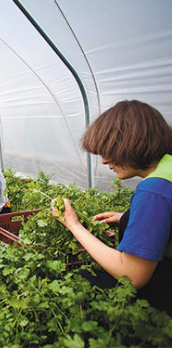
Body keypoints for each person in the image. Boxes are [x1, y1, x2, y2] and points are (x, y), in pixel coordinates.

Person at [51, 100, 172, 314]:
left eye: (111, 151)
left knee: (82, 281)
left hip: (164, 292)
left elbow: (132, 275)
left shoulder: (154, 190)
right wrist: (129, 216)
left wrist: (73, 224)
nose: (105, 161)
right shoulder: (167, 170)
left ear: (134, 144)